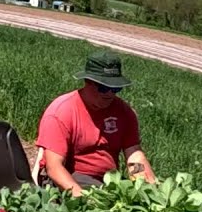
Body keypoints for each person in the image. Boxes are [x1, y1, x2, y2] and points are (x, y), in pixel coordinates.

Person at [35, 49, 156, 196]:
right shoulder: (62, 112)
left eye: (115, 89)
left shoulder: (124, 113)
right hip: (68, 178)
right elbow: (54, 168)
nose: (110, 94)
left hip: (107, 181)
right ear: (88, 82)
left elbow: (134, 157)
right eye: (104, 88)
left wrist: (147, 187)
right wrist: (85, 198)